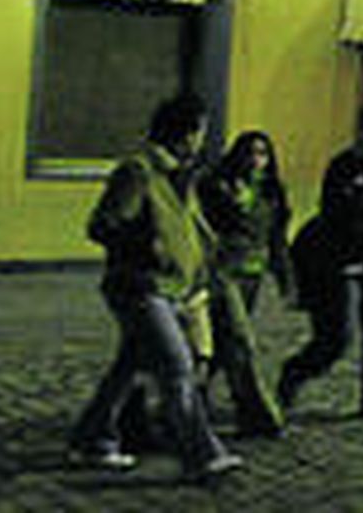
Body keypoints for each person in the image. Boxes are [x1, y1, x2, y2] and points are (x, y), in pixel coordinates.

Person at [69, 94, 243, 481]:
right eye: (201, 129)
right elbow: (102, 225)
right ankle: (202, 454)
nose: (202, 138)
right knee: (177, 366)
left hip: (175, 288)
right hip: (140, 286)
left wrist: (210, 257)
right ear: (186, 131)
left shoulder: (183, 174)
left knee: (127, 369)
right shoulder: (140, 171)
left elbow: (191, 227)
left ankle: (92, 439)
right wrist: (149, 247)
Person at [277, 104, 363, 421]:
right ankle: (294, 374)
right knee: (337, 337)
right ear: (361, 129)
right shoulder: (343, 167)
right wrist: (361, 238)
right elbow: (334, 213)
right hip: (341, 263)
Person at [198, 131, 292, 438]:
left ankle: (187, 401)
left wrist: (285, 279)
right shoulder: (217, 186)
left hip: (253, 274)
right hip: (221, 272)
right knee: (240, 340)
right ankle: (258, 413)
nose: (256, 159)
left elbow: (277, 239)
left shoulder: (271, 192)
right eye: (250, 152)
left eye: (263, 153)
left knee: (220, 343)